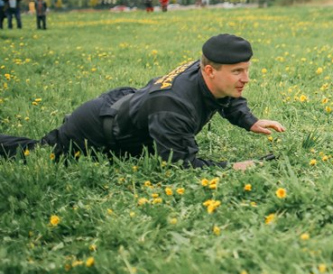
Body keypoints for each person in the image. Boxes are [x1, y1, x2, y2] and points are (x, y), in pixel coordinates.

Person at [0, 34, 285, 169]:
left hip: (125, 105)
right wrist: (234, 166)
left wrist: (250, 120)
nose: (245, 79)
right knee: (35, 153)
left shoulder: (206, 72)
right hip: (95, 130)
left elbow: (227, 96)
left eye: (246, 69)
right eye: (237, 71)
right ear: (209, 70)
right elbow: (179, 164)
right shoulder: (175, 105)